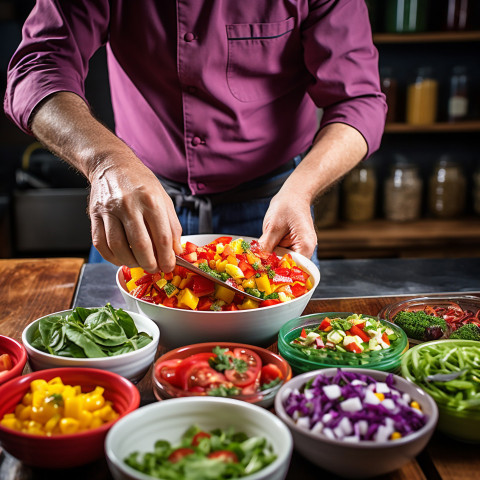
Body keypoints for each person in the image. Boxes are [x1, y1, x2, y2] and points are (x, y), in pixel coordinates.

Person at [5, 0, 386, 274]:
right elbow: (37, 69)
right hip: (137, 203)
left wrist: (300, 190)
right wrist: (106, 163)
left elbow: (359, 101)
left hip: (273, 208)